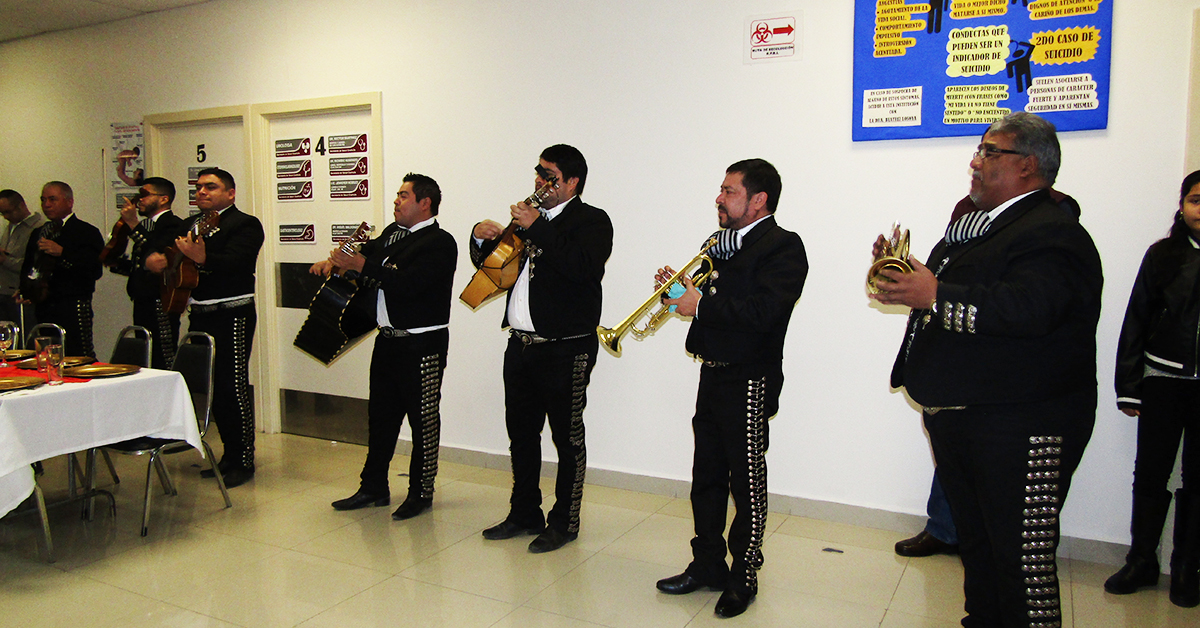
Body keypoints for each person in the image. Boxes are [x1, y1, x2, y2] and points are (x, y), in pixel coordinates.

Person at [871, 112, 1103, 627]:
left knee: (1020, 560)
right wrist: (906, 275)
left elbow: (1028, 310)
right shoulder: (976, 230)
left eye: (987, 152)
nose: (974, 162)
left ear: (1027, 165)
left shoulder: (1055, 232)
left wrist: (934, 294)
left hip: (1023, 423)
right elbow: (959, 295)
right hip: (968, 418)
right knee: (976, 546)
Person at [654, 158, 808, 618]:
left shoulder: (784, 247)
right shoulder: (716, 243)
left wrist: (701, 303)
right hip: (713, 371)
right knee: (706, 476)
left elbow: (764, 311)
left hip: (751, 376)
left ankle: (744, 573)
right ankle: (706, 564)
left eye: (729, 191)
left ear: (758, 200)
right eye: (721, 190)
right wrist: (676, 293)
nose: (719, 198)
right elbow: (701, 299)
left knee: (747, 480)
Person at [471, 144, 612, 553]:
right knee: (521, 434)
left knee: (567, 439)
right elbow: (497, 272)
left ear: (572, 183)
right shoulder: (527, 222)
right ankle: (524, 512)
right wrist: (483, 240)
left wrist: (537, 227)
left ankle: (564, 521)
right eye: (539, 173)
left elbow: (582, 268)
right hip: (521, 346)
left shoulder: (592, 221)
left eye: (550, 176)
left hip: (566, 348)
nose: (540, 181)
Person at [319, 173, 457, 520]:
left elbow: (409, 284)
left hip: (422, 343)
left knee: (423, 419)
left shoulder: (440, 242)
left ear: (424, 203)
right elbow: (366, 264)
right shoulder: (391, 235)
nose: (396, 201)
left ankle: (421, 492)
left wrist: (364, 265)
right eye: (397, 195)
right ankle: (373, 486)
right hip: (388, 340)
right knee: (380, 417)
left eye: (403, 196)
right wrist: (334, 264)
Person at [1104, 169, 1200, 608]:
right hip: (1162, 382)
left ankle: (1186, 569)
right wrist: (1130, 387)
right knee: (1150, 475)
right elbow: (1137, 319)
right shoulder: (1163, 254)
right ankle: (1141, 560)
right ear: (1182, 205)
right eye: (1196, 200)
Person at [147, 168, 263, 488]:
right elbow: (178, 263)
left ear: (230, 193)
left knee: (233, 384)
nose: (202, 192)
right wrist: (164, 264)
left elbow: (237, 262)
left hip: (233, 312)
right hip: (200, 313)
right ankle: (227, 455)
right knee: (213, 386)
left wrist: (204, 257)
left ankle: (244, 459)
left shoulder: (245, 224)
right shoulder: (190, 224)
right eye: (198, 187)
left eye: (211, 187)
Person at [18, 181, 104, 357]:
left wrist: (62, 253)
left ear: (69, 202)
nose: (46, 205)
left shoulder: (85, 231)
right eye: (43, 200)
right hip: (43, 306)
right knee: (47, 356)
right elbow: (30, 265)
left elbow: (94, 270)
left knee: (78, 355)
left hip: (73, 305)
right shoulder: (39, 232)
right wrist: (26, 289)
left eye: (52, 199)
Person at [105, 177, 184, 368]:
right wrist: (118, 263)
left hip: (161, 301)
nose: (139, 200)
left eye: (145, 195)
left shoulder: (172, 224)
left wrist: (133, 224)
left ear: (164, 199)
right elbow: (143, 263)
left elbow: (157, 256)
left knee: (162, 357)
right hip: (142, 300)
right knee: (145, 356)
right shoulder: (147, 226)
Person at [0, 190, 45, 333]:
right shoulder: (9, 227)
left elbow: (36, 266)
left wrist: (5, 260)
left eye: (8, 212)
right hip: (4, 294)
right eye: (2, 213)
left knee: (27, 343)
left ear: (21, 205)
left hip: (24, 298)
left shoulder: (39, 227)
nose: (6, 217)